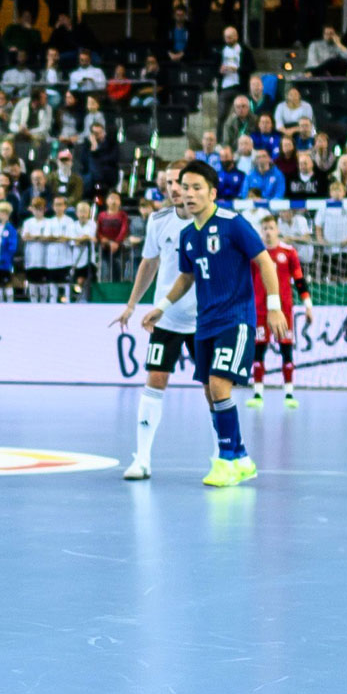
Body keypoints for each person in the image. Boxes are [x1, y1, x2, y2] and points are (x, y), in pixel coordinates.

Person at [142, 159, 288, 487]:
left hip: (235, 320)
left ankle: (225, 461)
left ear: (212, 192)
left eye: (197, 188)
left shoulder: (232, 223)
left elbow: (265, 261)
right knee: (210, 392)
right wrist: (162, 306)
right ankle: (241, 457)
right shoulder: (188, 234)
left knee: (220, 385)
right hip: (204, 323)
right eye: (185, 187)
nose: (189, 194)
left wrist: (275, 307)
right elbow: (186, 277)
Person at [116, 187, 196, 480]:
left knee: (216, 389)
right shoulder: (159, 220)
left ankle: (223, 457)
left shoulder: (213, 221)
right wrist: (131, 305)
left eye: (183, 183)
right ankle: (143, 458)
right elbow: (148, 263)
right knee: (156, 379)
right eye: (172, 183)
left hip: (206, 317)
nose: (177, 189)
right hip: (167, 317)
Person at [245, 216, 307, 407]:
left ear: (278, 229)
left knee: (286, 350)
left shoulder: (288, 252)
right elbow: (247, 281)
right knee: (258, 351)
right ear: (261, 231)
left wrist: (308, 305)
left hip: (283, 311)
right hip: (260, 311)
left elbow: (299, 280)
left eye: (271, 228)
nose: (268, 232)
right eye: (265, 228)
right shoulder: (254, 254)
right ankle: (257, 394)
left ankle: (289, 395)